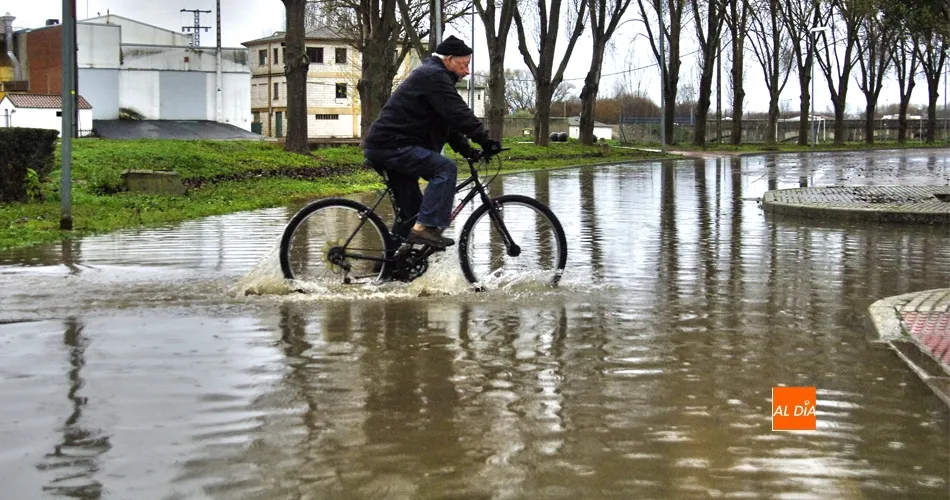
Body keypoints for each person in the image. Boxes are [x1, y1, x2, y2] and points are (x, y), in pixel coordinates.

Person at [363, 35, 502, 249]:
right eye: (464, 64)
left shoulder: (433, 77)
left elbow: (447, 123)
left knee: (411, 216)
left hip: (390, 146)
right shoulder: (433, 75)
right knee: (445, 169)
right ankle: (425, 229)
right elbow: (458, 113)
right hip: (391, 146)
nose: (467, 71)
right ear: (449, 59)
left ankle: (388, 269)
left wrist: (468, 150)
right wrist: (485, 140)